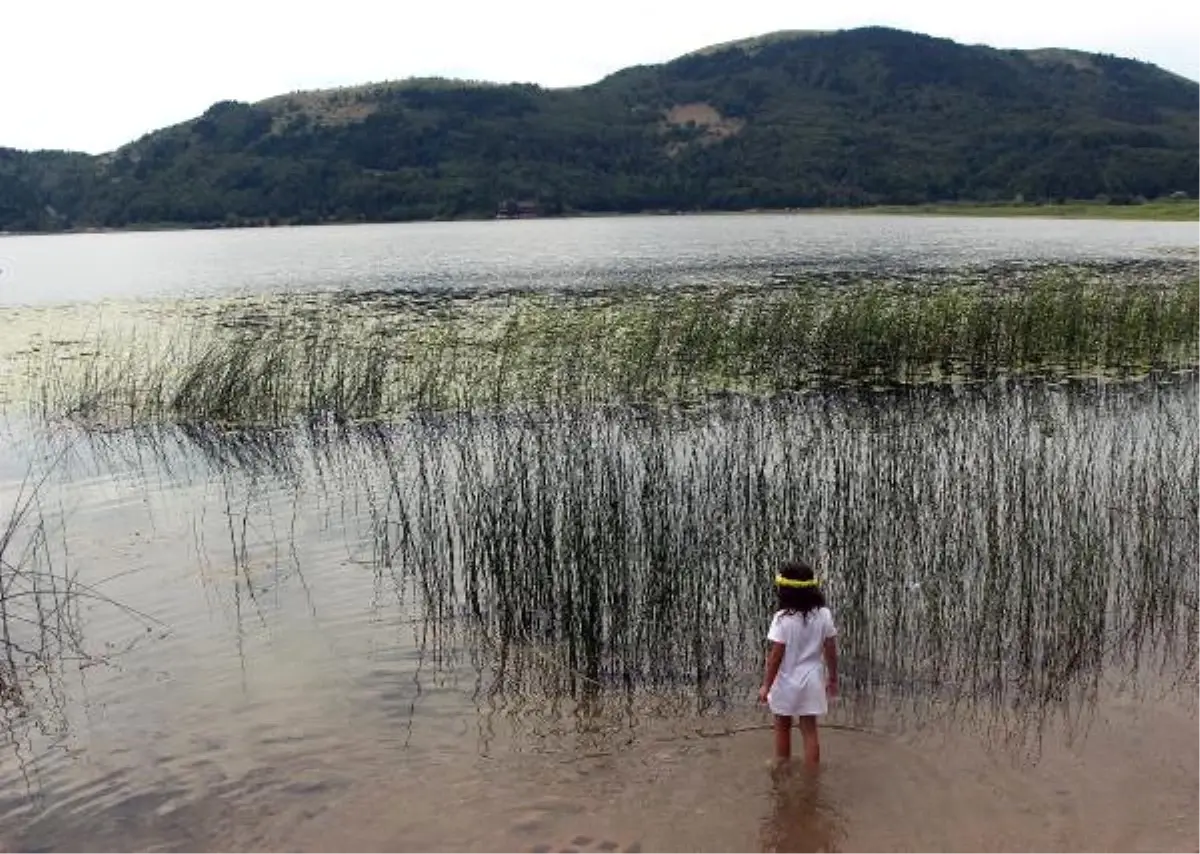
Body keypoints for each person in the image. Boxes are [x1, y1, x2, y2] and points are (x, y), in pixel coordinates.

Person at [758, 560, 839, 766]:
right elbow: (831, 649)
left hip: (786, 681)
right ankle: (812, 777)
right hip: (812, 680)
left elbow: (775, 657)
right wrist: (833, 677)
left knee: (782, 725)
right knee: (810, 730)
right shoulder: (824, 615)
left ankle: (781, 765)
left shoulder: (782, 619)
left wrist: (766, 685)